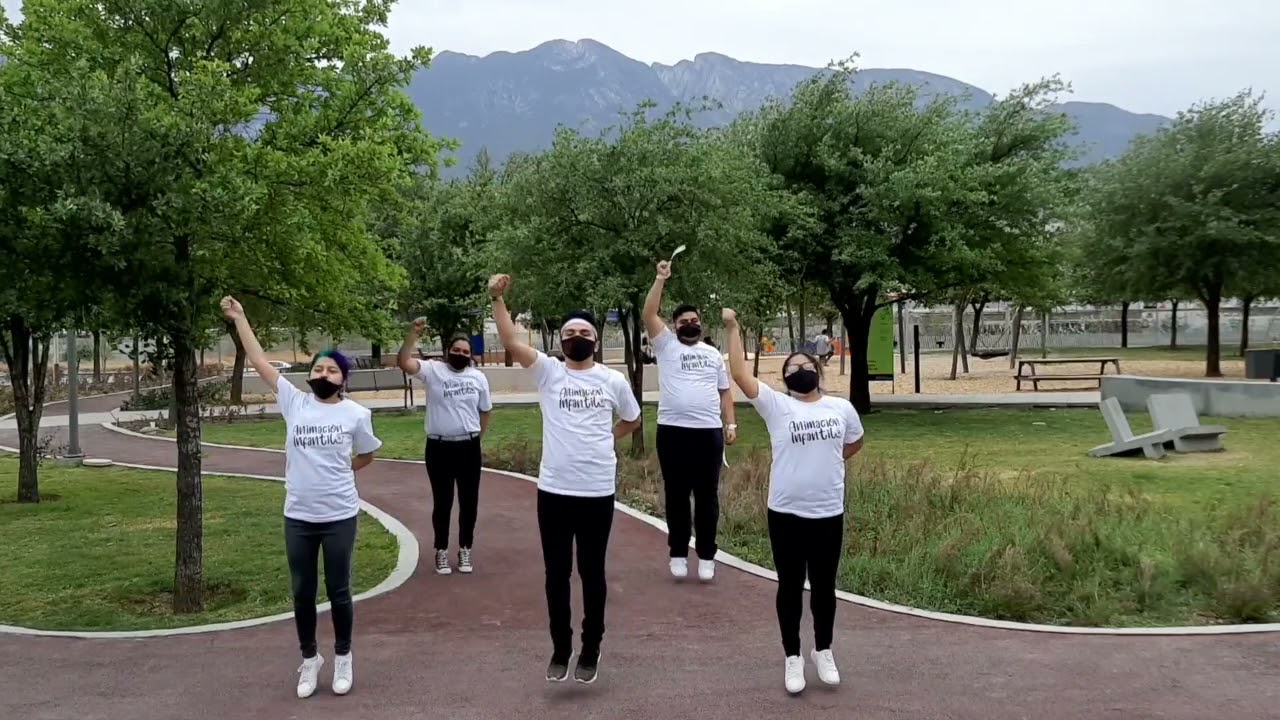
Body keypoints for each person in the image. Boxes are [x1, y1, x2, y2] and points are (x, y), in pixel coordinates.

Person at [221, 296, 382, 700]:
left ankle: (343, 656)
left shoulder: (356, 415)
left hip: (340, 514)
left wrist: (346, 470)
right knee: (302, 591)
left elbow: (367, 454)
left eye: (331, 370)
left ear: (343, 379)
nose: (323, 373)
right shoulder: (295, 402)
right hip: (299, 516)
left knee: (339, 589)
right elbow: (259, 361)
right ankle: (310, 659)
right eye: (317, 368)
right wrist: (241, 319)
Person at [488, 273, 642, 685]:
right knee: (556, 573)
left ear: (596, 339)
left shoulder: (612, 380)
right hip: (554, 491)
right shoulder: (549, 372)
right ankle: (561, 648)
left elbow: (632, 418)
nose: (577, 337)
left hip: (596, 492)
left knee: (592, 573)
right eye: (570, 332)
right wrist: (497, 299)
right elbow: (510, 342)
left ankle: (591, 649)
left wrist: (608, 437)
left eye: (584, 332)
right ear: (560, 341)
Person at [721, 307, 864, 695]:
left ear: (818, 369)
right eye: (790, 368)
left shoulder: (841, 408)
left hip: (827, 512)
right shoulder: (777, 406)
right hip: (785, 512)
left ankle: (824, 649)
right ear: (785, 379)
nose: (798, 370)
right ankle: (793, 657)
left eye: (804, 364)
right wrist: (733, 329)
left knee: (824, 586)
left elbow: (853, 442)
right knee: (789, 586)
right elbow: (738, 375)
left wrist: (828, 461)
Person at [642, 259, 736, 582]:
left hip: (708, 434)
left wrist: (731, 422)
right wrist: (660, 279)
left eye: (694, 320)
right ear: (675, 325)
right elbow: (648, 314)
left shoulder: (712, 354)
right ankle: (679, 552)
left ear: (701, 323)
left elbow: (725, 392)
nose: (689, 324)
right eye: (683, 321)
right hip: (672, 433)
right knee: (677, 495)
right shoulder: (666, 345)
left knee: (707, 496)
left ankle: (707, 554)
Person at [397, 319, 493, 575]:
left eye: (465, 352)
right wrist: (413, 333)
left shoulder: (478, 378)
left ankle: (465, 549)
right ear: (447, 351)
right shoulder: (433, 370)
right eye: (456, 350)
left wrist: (476, 438)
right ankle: (441, 550)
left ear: (471, 355)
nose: (460, 355)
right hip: (439, 448)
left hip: (468, 448)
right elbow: (404, 362)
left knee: (469, 502)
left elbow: (485, 412)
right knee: (443, 501)